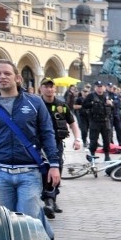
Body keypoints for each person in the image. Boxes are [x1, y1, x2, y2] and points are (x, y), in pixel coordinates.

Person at [0, 60, 61, 238]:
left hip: (29, 172)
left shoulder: (35, 103)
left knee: (28, 222)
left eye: (7, 73)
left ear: (18, 78)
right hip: (0, 173)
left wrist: (54, 164)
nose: (2, 77)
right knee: (5, 223)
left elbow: (47, 133)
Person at [38, 77, 82, 219]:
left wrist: (77, 139)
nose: (49, 89)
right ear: (41, 89)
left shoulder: (61, 106)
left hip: (56, 144)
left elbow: (72, 122)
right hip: (39, 145)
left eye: (51, 87)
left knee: (57, 170)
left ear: (55, 89)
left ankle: (51, 201)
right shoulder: (36, 104)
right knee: (45, 171)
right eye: (46, 86)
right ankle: (49, 200)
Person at [82, 80, 115, 161]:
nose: (99, 89)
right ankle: (92, 155)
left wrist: (111, 104)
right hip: (95, 121)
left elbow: (113, 108)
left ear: (103, 88)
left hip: (105, 121)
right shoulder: (91, 96)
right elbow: (84, 106)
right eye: (98, 87)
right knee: (93, 140)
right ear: (95, 88)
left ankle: (107, 156)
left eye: (100, 87)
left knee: (107, 140)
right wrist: (92, 103)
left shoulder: (106, 96)